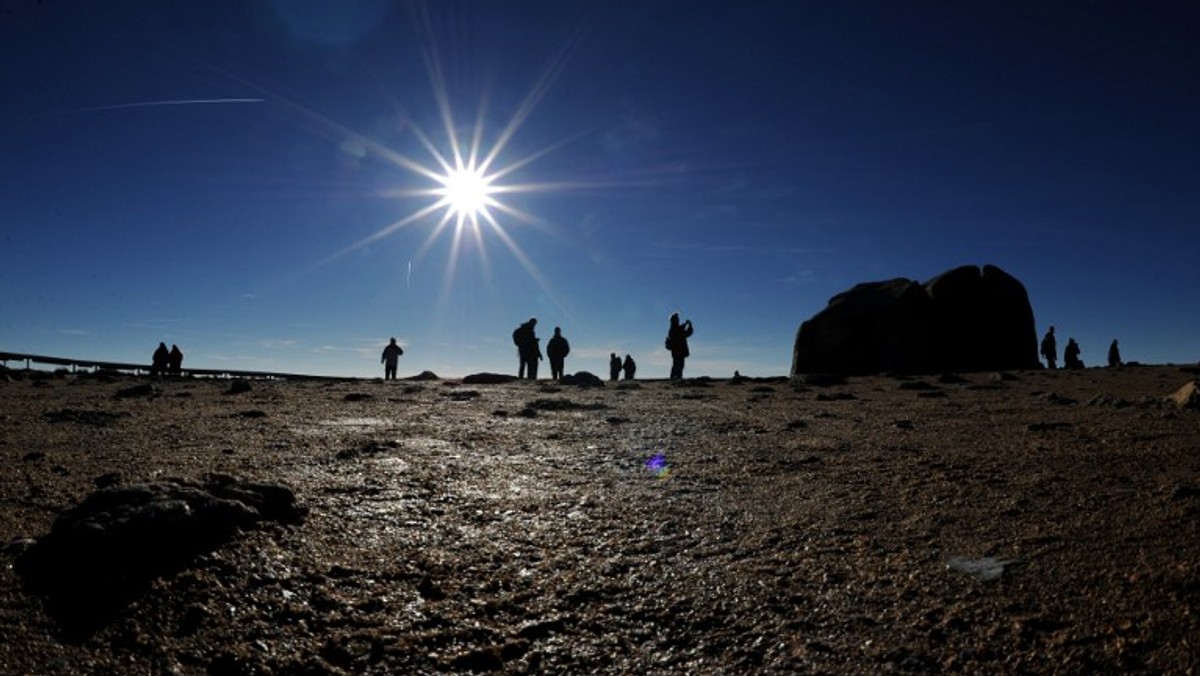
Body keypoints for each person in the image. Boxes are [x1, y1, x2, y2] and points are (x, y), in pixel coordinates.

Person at [665, 312, 694, 380]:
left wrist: (688, 325)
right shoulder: (674, 329)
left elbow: (686, 333)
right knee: (677, 366)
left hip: (679, 351)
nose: (678, 319)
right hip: (677, 351)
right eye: (677, 318)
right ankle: (674, 380)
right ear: (674, 320)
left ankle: (676, 380)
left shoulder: (676, 329)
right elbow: (682, 333)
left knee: (679, 366)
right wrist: (687, 324)